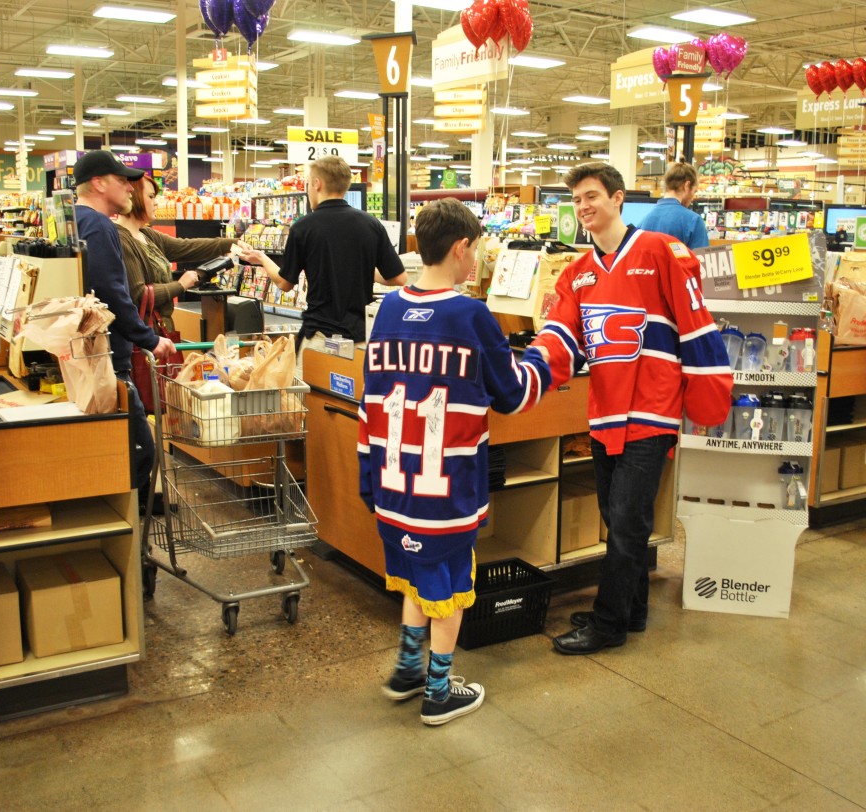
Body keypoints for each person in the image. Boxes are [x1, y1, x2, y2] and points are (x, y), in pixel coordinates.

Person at [358, 198, 552, 725]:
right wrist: (549, 349)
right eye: (478, 250)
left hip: (395, 486)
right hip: (446, 491)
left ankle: (406, 670)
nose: (479, 261)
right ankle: (439, 692)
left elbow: (369, 401)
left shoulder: (391, 309)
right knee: (450, 590)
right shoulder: (470, 315)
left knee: (417, 579)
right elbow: (511, 395)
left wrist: (368, 479)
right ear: (462, 246)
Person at [530, 162, 732, 655]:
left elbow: (695, 322)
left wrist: (707, 393)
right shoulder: (577, 274)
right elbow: (562, 335)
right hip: (604, 412)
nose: (583, 207)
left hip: (652, 411)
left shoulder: (661, 252)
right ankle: (631, 608)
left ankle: (608, 624)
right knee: (616, 516)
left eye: (592, 196)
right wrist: (530, 368)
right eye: (576, 200)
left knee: (625, 520)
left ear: (618, 198)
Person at [237, 156, 406, 372]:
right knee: (349, 404)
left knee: (312, 402)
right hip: (359, 341)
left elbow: (284, 283)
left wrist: (261, 258)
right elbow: (399, 277)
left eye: (308, 183)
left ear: (317, 184)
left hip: (318, 339)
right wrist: (358, 268)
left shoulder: (303, 227)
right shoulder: (371, 224)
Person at [74, 150, 175, 501]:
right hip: (107, 355)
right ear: (99, 184)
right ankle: (134, 542)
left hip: (80, 352)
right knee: (139, 447)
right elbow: (113, 293)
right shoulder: (101, 226)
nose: (130, 189)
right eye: (121, 181)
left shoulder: (74, 219)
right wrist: (149, 338)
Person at [115, 173, 236, 335]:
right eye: (151, 197)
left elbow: (187, 247)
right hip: (144, 334)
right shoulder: (122, 239)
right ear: (135, 198)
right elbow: (139, 295)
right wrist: (181, 285)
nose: (156, 203)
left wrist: (233, 243)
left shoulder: (147, 234)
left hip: (160, 328)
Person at [638, 161, 710, 249]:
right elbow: (700, 260)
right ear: (687, 186)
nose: (692, 198)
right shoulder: (693, 221)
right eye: (694, 191)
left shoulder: (643, 222)